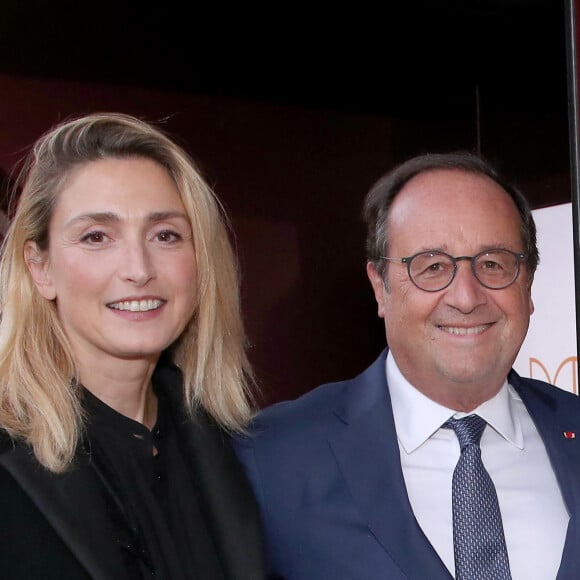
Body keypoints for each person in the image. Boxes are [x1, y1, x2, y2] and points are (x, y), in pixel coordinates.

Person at [233, 151, 580, 579]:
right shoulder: (272, 460)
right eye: (432, 267)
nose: (466, 297)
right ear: (380, 286)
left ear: (527, 284)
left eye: (493, 263)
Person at [0, 112, 265, 579]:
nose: (139, 268)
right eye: (96, 237)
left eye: (166, 235)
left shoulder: (236, 448)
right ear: (40, 268)